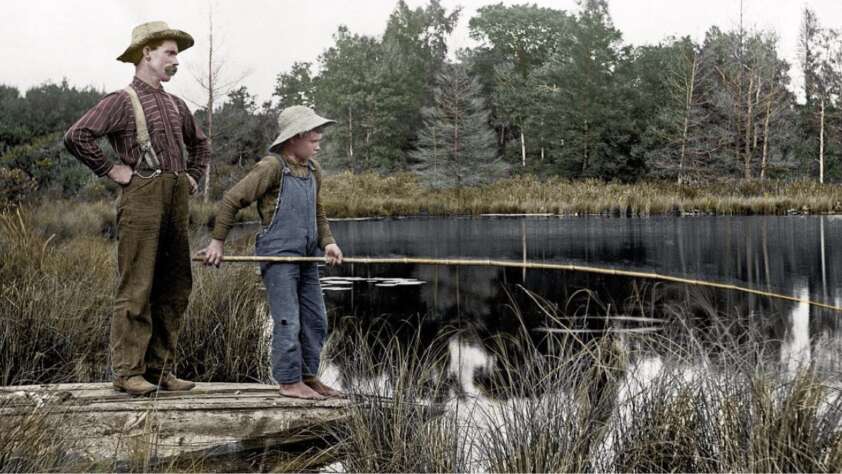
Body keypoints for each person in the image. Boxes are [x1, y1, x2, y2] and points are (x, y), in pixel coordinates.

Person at [64, 21, 209, 395]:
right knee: (137, 286)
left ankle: (160, 370)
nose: (177, 61)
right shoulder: (120, 101)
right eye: (171, 53)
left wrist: (192, 176)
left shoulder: (177, 105)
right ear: (146, 53)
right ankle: (128, 372)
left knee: (176, 286)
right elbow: (77, 136)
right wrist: (111, 168)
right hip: (141, 197)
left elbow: (201, 145)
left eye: (177, 54)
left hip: (176, 198)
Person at [199, 105, 344, 400]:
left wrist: (328, 242)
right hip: (278, 256)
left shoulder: (313, 170)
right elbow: (231, 200)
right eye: (314, 140)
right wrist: (217, 242)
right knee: (288, 319)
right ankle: (289, 382)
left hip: (306, 257)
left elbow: (317, 211)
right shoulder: (271, 167)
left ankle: (307, 376)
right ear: (295, 138)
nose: (319, 145)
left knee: (316, 320)